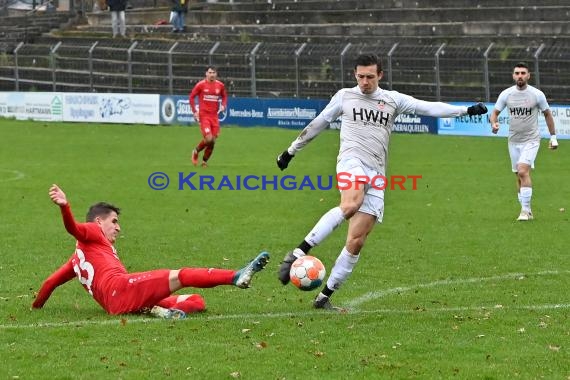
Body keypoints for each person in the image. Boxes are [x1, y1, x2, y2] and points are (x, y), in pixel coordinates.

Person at [275, 53, 488, 311]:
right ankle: (298, 253)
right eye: (360, 76)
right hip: (351, 162)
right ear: (355, 75)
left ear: (380, 76)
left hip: (377, 172)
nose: (364, 82)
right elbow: (318, 123)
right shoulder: (345, 96)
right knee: (350, 204)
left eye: (370, 77)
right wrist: (291, 151)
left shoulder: (392, 99)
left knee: (356, 241)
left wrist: (465, 110)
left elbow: (427, 107)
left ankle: (324, 297)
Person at [32, 184, 269, 319]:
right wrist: (65, 206)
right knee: (181, 275)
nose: (118, 227)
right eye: (114, 221)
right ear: (98, 221)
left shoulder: (76, 260)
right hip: (121, 289)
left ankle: (154, 309)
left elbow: (50, 282)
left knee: (196, 302)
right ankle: (236, 276)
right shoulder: (93, 231)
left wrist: (36, 308)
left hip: (119, 300)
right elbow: (72, 228)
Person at [489, 62, 558, 221]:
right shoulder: (506, 94)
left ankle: (525, 211)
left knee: (522, 171)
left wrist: (553, 137)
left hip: (531, 139)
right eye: (517, 73)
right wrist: (494, 123)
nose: (520, 76)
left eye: (523, 73)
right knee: (518, 176)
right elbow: (494, 113)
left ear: (528, 76)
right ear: (513, 76)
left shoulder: (537, 94)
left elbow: (547, 114)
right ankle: (527, 209)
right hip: (513, 141)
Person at [189, 66, 228, 168]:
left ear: (216, 74)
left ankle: (204, 162)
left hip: (214, 117)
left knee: (212, 142)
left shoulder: (220, 85)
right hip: (204, 116)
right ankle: (196, 151)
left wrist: (223, 105)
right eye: (210, 72)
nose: (211, 74)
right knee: (209, 138)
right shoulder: (201, 85)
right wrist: (194, 111)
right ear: (206, 74)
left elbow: (224, 96)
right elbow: (191, 97)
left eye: (213, 72)